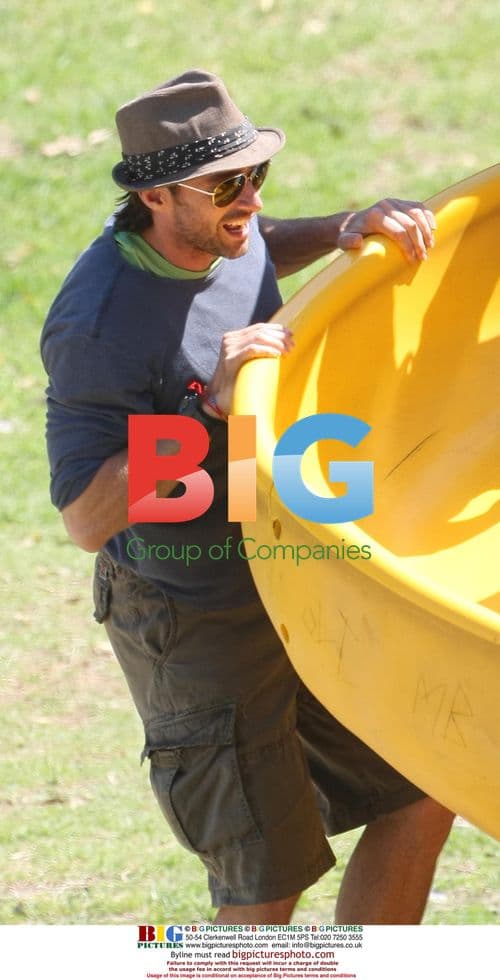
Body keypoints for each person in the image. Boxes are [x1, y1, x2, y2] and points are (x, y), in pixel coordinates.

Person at [41, 69, 453, 924]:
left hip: (287, 573)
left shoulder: (215, 230)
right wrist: (207, 413)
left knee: (422, 785)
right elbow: (85, 516)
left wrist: (342, 230)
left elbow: (257, 243)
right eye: (228, 186)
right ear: (155, 196)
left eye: (256, 174)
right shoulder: (99, 323)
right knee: (266, 881)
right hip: (191, 612)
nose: (253, 201)